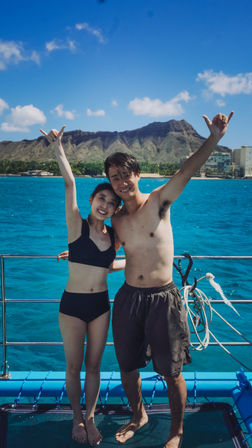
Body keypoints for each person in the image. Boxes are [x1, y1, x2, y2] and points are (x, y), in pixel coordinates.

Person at [103, 112, 234, 448]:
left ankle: (176, 432)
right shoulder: (117, 220)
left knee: (171, 372)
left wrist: (214, 138)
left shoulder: (160, 201)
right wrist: (80, 256)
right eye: (114, 177)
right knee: (127, 368)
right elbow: (112, 258)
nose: (121, 181)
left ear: (137, 174)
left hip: (163, 298)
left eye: (125, 174)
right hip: (130, 298)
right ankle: (138, 415)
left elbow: (186, 170)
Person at [40, 126, 124, 446]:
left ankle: (90, 419)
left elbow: (106, 266)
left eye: (111, 203)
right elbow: (69, 183)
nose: (104, 205)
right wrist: (59, 147)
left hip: (101, 306)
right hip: (72, 306)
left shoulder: (114, 238)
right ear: (92, 200)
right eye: (101, 198)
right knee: (73, 367)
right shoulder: (76, 227)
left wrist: (132, 262)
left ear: (115, 210)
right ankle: (76, 418)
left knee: (94, 367)